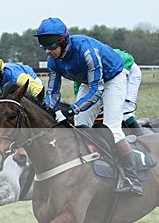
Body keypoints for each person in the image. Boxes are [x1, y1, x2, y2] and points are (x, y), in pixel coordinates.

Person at [35, 17, 142, 196]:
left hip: (112, 78)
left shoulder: (86, 51)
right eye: (44, 47)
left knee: (112, 129)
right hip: (88, 81)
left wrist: (71, 110)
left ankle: (133, 179)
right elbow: (53, 92)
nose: (48, 51)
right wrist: (47, 112)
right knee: (80, 125)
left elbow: (97, 89)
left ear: (63, 41)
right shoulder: (53, 61)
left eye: (51, 47)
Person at [73, 49, 144, 129]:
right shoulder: (77, 69)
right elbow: (81, 94)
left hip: (126, 68)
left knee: (125, 113)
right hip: (106, 74)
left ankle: (142, 135)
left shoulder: (87, 61)